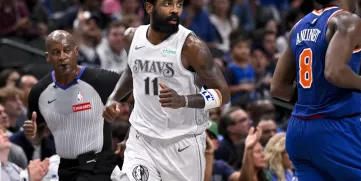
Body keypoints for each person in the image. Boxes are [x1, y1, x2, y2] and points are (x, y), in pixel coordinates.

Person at [102, 0, 230, 180]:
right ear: (149, 7)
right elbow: (133, 70)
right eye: (167, 4)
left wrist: (183, 100)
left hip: (182, 142)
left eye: (179, 4)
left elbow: (223, 93)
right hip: (142, 139)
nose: (175, 10)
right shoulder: (131, 37)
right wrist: (114, 97)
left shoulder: (192, 46)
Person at [270, 0, 361, 180]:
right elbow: (334, 72)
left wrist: (314, 96)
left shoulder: (299, 27)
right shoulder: (347, 20)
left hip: (298, 130)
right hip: (335, 126)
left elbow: (278, 88)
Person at [23, 30, 121, 181]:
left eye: (67, 50)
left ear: (76, 52)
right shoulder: (39, 92)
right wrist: (32, 135)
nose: (62, 57)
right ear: (48, 57)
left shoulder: (101, 79)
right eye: (56, 52)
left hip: (99, 165)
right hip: (66, 168)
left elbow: (139, 94)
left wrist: (129, 138)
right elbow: (37, 137)